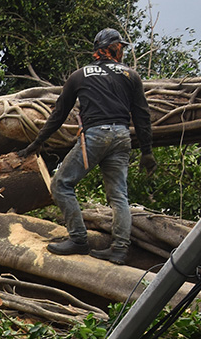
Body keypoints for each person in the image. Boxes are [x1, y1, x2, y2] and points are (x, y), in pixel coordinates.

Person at [16, 27, 155, 265]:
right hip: (122, 136)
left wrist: (36, 144)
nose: (121, 50)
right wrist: (147, 152)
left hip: (96, 135)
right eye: (120, 46)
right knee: (119, 196)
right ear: (113, 47)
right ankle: (120, 249)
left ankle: (79, 239)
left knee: (61, 184)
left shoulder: (79, 75)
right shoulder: (131, 75)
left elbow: (59, 114)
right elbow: (142, 115)